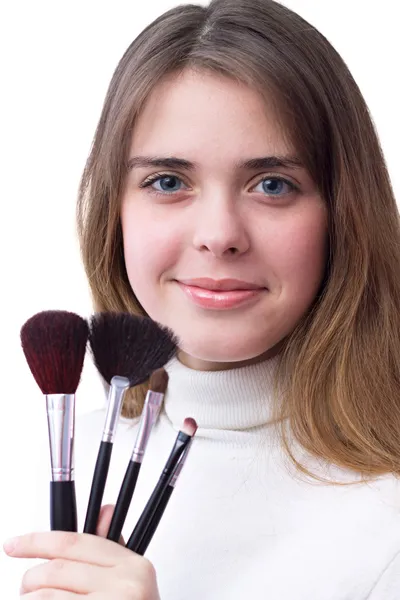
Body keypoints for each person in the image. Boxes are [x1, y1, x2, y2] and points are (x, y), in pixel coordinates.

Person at [4, 0, 400, 597]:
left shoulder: (383, 515)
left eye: (272, 185)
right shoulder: (52, 465)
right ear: (115, 211)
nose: (219, 235)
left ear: (343, 216)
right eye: (167, 182)